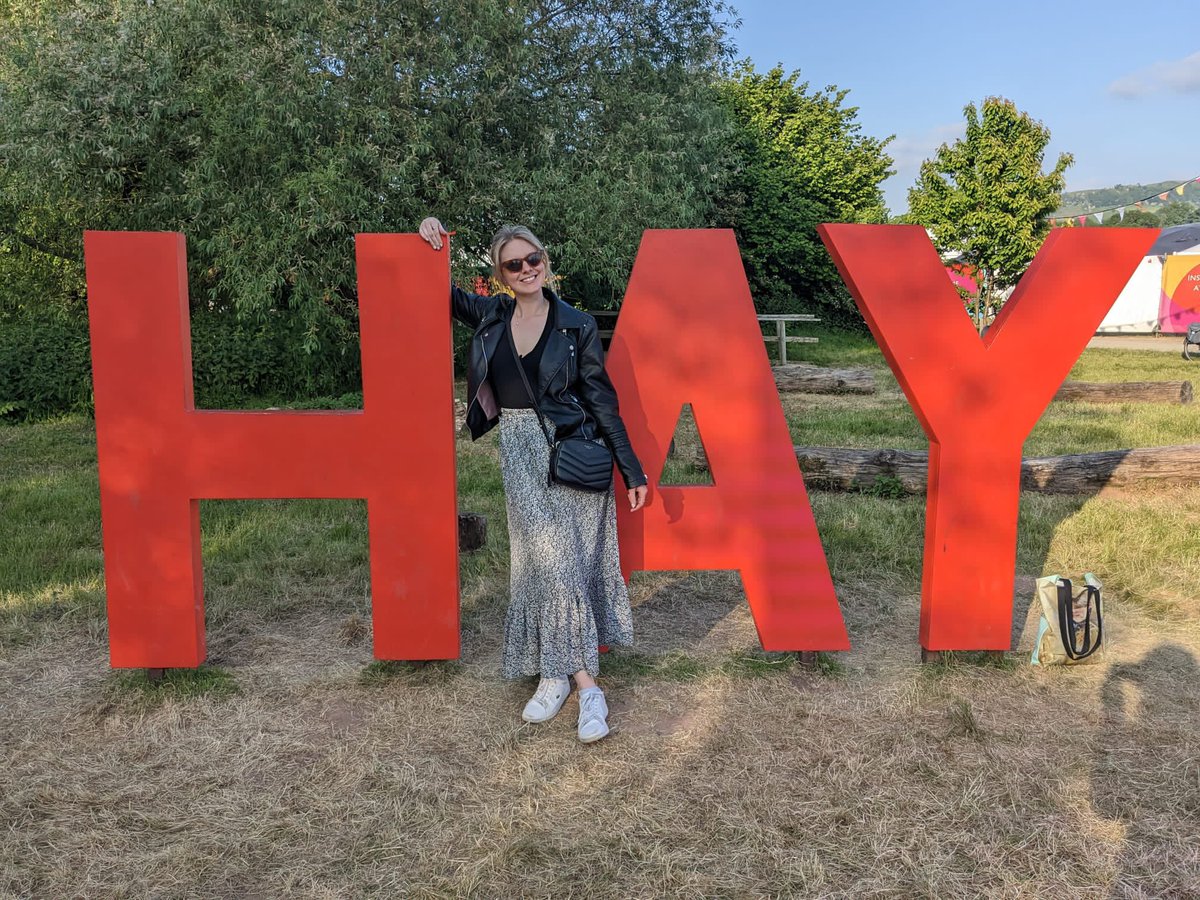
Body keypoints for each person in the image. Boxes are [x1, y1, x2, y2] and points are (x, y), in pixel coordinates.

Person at [418, 217, 648, 743]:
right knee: (544, 563)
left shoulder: (576, 324)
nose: (526, 270)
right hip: (519, 453)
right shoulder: (491, 314)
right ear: (500, 273)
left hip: (570, 453)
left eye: (533, 260)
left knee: (564, 567)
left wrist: (630, 467)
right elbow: (440, 293)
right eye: (513, 264)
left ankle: (573, 682)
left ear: (545, 262)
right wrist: (431, 238)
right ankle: (569, 680)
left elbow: (600, 399)